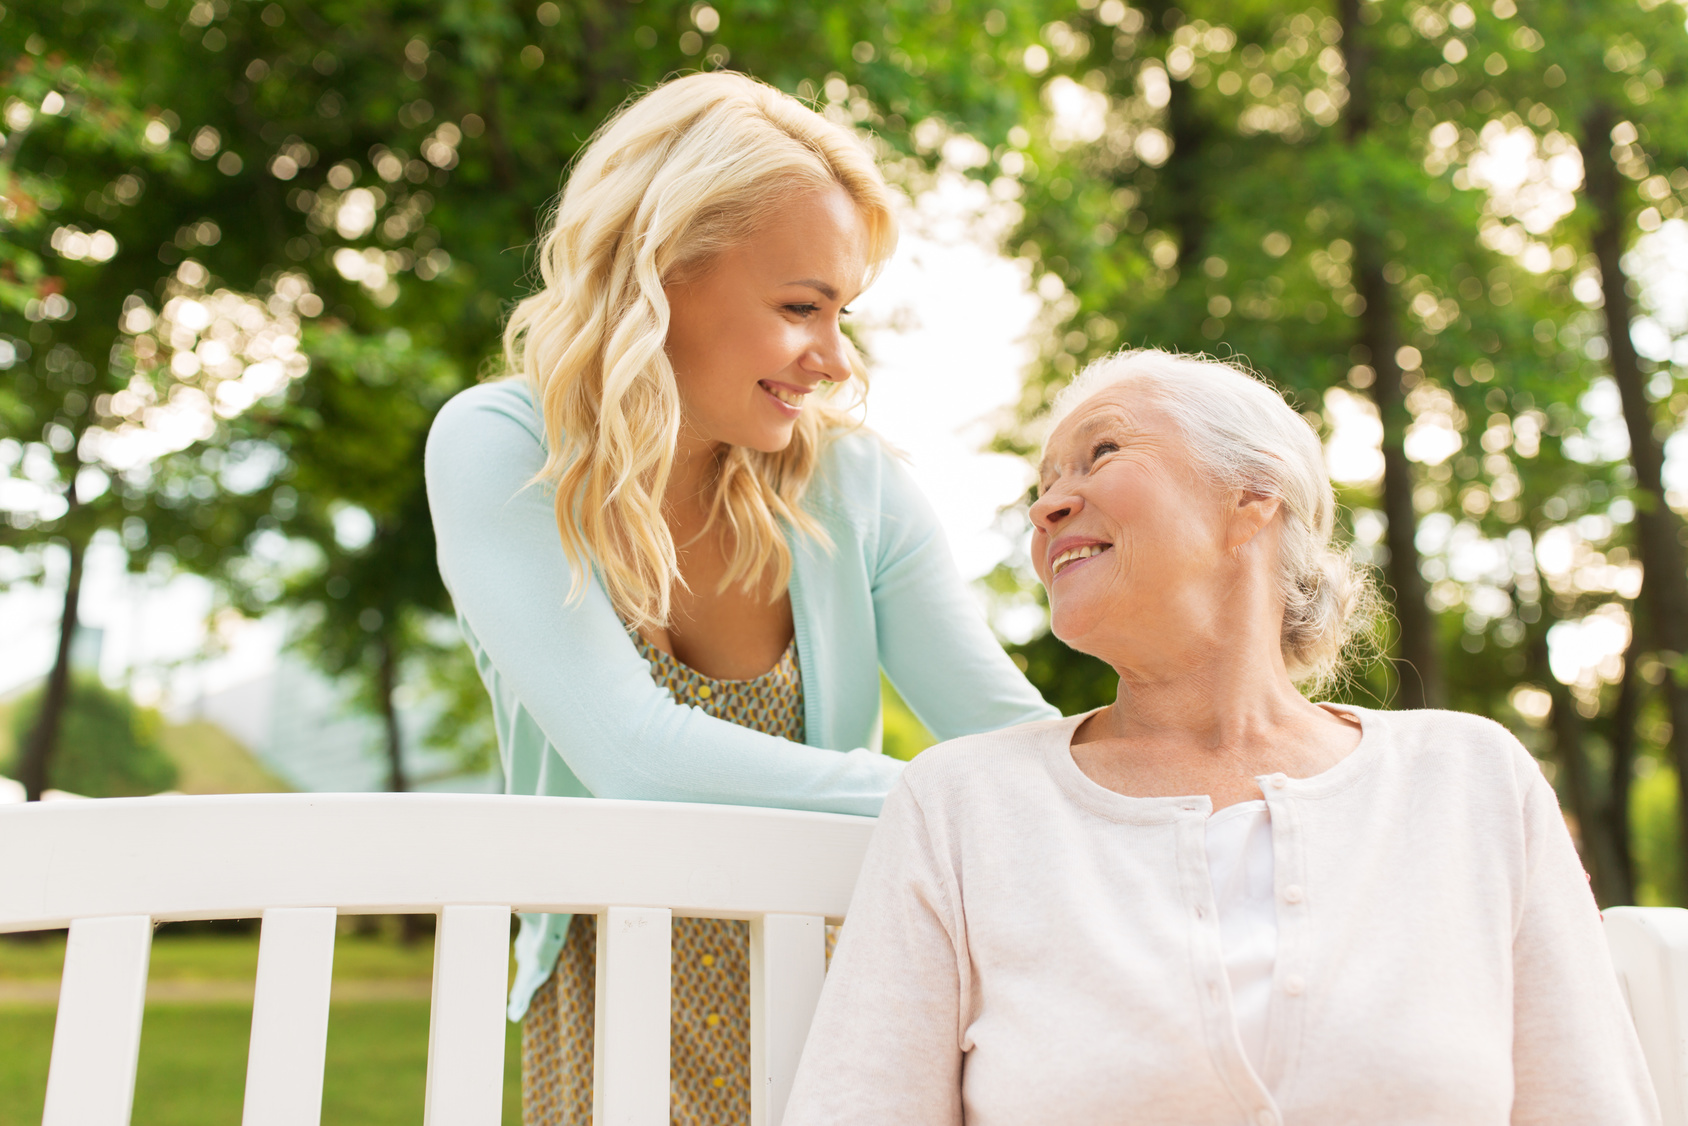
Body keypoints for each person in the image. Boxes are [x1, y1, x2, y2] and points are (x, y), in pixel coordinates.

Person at [784, 348, 1660, 1125]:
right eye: (1040, 486)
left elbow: (1588, 1105)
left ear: (1253, 498)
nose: (1048, 506)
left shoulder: (1472, 781)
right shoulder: (960, 803)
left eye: (1103, 453)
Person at [423, 72, 1056, 1125]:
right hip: (606, 1010)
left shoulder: (854, 487)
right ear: (663, 273)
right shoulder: (502, 448)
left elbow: (1006, 738)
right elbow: (632, 755)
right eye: (800, 307)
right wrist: (942, 804)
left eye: (840, 312)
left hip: (837, 1003)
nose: (834, 359)